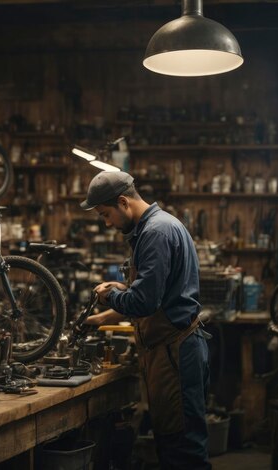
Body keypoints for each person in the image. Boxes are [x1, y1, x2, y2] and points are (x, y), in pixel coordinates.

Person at [80, 171, 211, 469]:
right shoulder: (158, 227)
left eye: (106, 214)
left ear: (123, 202)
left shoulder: (155, 233)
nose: (107, 223)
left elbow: (144, 301)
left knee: (183, 452)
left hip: (174, 354)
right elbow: (154, 294)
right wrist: (106, 315)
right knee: (175, 444)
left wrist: (109, 296)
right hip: (172, 350)